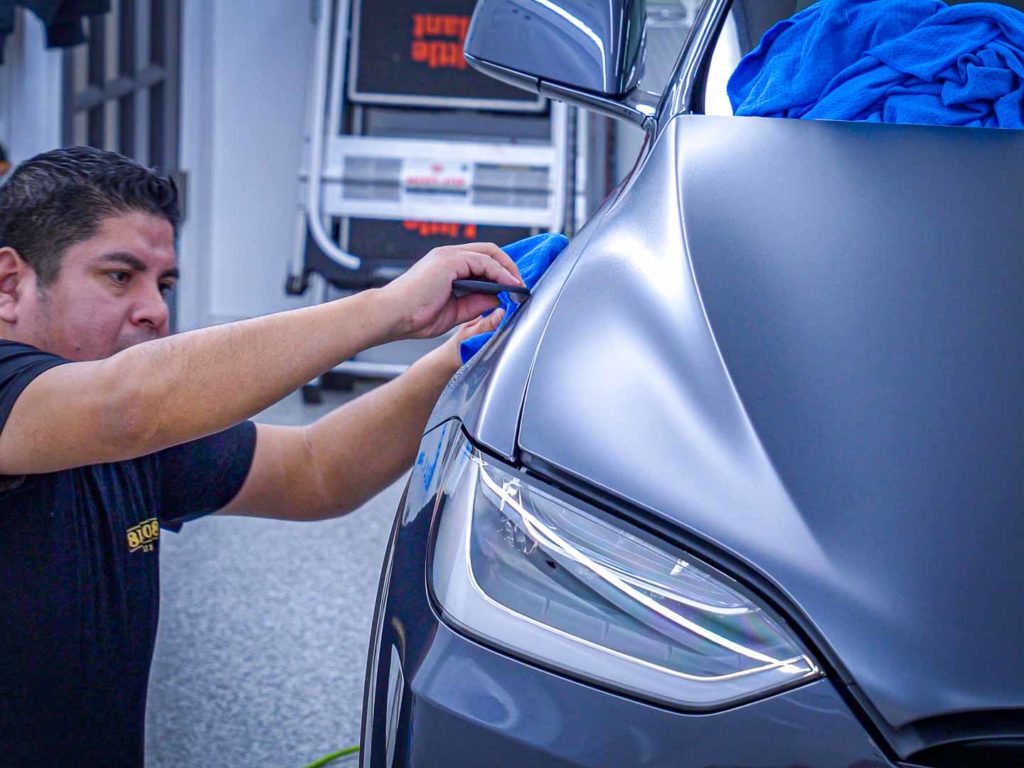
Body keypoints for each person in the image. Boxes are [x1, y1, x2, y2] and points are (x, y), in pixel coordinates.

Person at [0, 146, 522, 767]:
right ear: (10, 285)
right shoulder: (71, 403)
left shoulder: (130, 442)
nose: (156, 309)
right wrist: (387, 308)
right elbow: (130, 403)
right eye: (119, 276)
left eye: (163, 284)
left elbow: (315, 470)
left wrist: (461, 354)